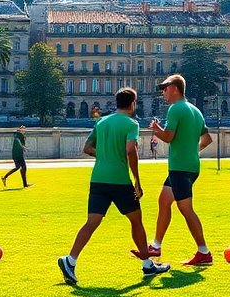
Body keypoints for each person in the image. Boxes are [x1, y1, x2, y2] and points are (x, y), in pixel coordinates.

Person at [57, 87, 170, 286]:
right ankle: (147, 264)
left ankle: (70, 260)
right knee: (136, 221)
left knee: (92, 222)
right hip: (119, 181)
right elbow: (130, 151)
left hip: (98, 179)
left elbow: (87, 147)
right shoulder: (131, 123)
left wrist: (105, 156)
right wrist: (137, 180)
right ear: (132, 104)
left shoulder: (101, 122)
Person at [146, 75, 214, 265]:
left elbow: (168, 137)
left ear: (175, 88)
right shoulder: (195, 110)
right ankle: (156, 246)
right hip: (190, 166)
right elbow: (207, 139)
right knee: (164, 200)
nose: (163, 92)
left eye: (165, 88)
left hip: (180, 168)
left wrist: (156, 129)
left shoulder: (175, 109)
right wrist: (192, 151)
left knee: (186, 209)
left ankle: (204, 252)